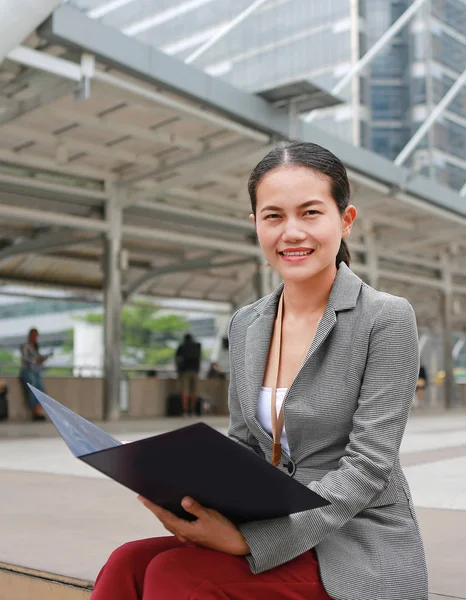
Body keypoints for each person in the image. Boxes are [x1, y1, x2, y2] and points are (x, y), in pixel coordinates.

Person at [91, 142, 428, 600]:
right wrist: (168, 475)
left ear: (345, 220)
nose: (291, 232)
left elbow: (367, 467)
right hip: (268, 518)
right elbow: (243, 446)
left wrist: (251, 541)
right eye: (273, 216)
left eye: (310, 213)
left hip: (353, 540)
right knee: (127, 563)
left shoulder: (385, 318)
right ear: (256, 226)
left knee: (177, 577)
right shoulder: (248, 323)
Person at [19, 328, 52, 421]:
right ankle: (34, 412)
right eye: (33, 335)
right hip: (28, 371)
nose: (35, 337)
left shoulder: (36, 346)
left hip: (36, 371)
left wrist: (43, 358)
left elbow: (37, 359)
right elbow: (26, 358)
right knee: (32, 390)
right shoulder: (25, 346)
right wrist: (37, 360)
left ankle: (38, 411)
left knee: (41, 389)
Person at [175, 333, 201, 417]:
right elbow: (199, 358)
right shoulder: (197, 346)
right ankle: (192, 411)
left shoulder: (181, 347)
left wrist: (178, 371)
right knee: (194, 392)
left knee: (184, 392)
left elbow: (177, 359)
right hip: (195, 371)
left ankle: (185, 410)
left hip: (184, 371)